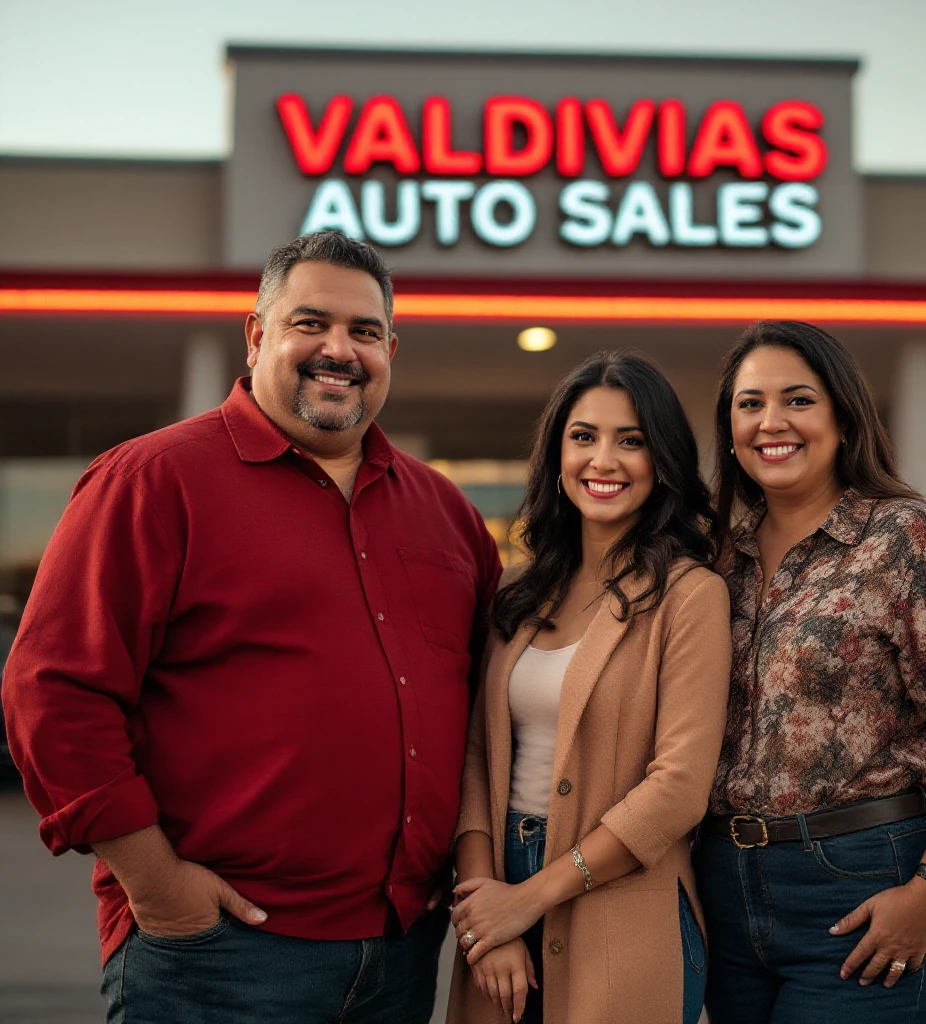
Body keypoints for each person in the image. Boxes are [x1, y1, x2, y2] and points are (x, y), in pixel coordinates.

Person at [1, 231, 502, 1024]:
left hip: (404, 950)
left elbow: (486, 706)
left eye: (364, 332)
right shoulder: (153, 480)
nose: (339, 350)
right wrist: (156, 883)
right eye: (312, 323)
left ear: (391, 349)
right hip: (222, 952)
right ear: (258, 333)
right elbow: (54, 692)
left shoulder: (445, 512)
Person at [698, 320, 926, 1023]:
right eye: (749, 404)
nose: (771, 421)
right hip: (722, 885)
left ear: (843, 419)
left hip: (862, 880)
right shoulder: (717, 557)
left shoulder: (903, 537)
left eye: (798, 400)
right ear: (728, 430)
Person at [445, 350, 732, 1024]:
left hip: (622, 894)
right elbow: (478, 758)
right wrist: (490, 901)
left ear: (661, 461)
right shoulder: (517, 591)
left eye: (630, 441)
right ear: (556, 455)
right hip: (500, 881)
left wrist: (532, 897)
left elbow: (679, 787)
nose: (603, 460)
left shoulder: (690, 595)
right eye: (584, 437)